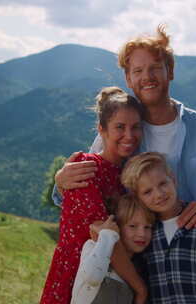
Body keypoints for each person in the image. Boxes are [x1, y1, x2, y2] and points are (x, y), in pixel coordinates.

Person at [54, 24, 196, 230]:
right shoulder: (119, 132)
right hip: (136, 253)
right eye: (138, 70)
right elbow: (84, 186)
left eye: (155, 67)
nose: (147, 76)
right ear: (129, 79)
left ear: (170, 71)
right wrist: (60, 182)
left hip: (193, 246)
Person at [40, 87, 145, 304]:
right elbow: (107, 239)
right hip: (75, 276)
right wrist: (140, 288)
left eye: (135, 127)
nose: (129, 135)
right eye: (119, 127)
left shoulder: (129, 173)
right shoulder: (85, 168)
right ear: (101, 130)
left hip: (112, 282)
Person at [121, 152, 196, 304]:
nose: (158, 194)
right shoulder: (145, 233)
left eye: (163, 183)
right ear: (138, 198)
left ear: (173, 180)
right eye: (147, 192)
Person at [71, 194, 155, 304]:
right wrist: (107, 235)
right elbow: (93, 277)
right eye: (132, 226)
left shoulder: (137, 270)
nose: (142, 234)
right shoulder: (93, 246)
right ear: (117, 226)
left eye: (147, 227)